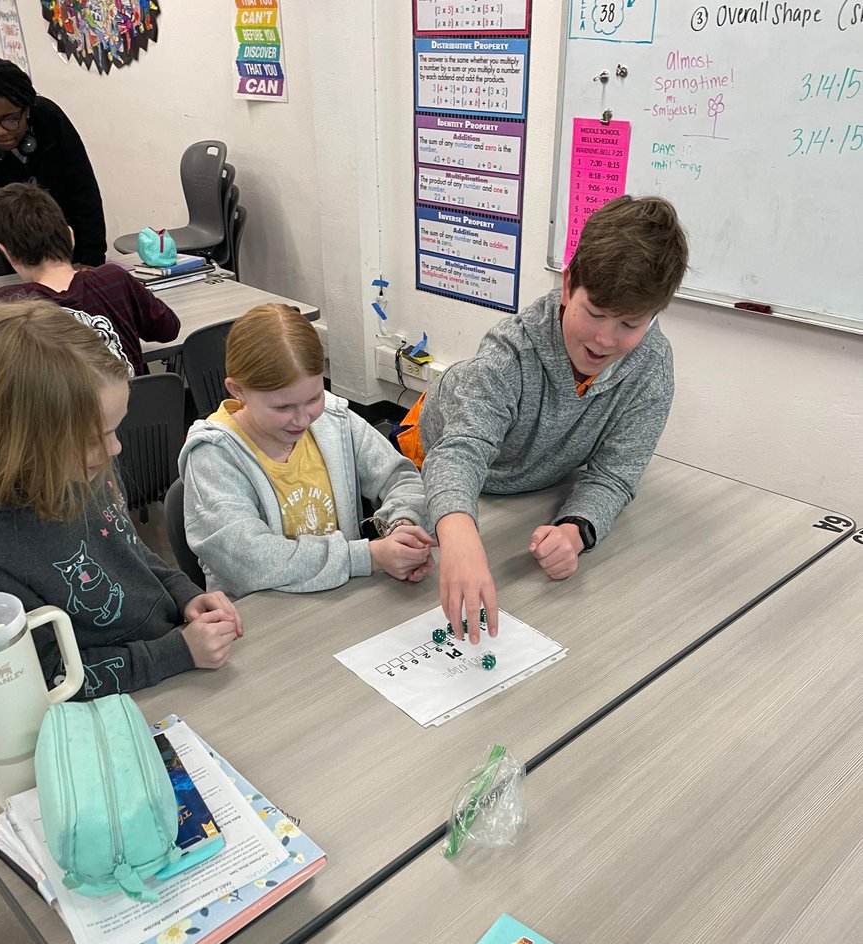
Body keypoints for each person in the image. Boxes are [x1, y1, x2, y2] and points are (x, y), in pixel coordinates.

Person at [395, 194, 689, 643]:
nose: (605, 340)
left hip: (531, 485)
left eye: (630, 324)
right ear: (569, 285)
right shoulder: (513, 350)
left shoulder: (650, 367)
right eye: (595, 313)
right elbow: (458, 453)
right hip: (430, 457)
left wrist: (576, 529)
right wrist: (457, 532)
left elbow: (615, 475)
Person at [0, 301, 241, 699]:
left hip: (172, 660)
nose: (115, 448)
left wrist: (184, 593)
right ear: (23, 438)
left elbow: (128, 549)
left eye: (115, 427)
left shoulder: (74, 465)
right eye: (96, 437)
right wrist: (173, 654)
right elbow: (47, 681)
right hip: (120, 698)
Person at [179, 303, 436, 596]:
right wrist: (368, 556)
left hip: (341, 594)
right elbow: (250, 562)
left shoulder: (334, 420)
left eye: (313, 398)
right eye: (283, 407)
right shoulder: (213, 456)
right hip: (265, 616)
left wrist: (400, 525)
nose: (302, 419)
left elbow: (400, 478)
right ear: (237, 390)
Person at [0, 181, 179, 376]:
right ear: (70, 236)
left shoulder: (8, 305)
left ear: (5, 251)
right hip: (138, 404)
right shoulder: (115, 279)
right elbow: (169, 328)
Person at [0, 57, 106, 270]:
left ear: (27, 110)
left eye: (11, 119)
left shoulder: (49, 120)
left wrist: (92, 262)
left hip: (69, 244)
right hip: (14, 250)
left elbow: (84, 193)